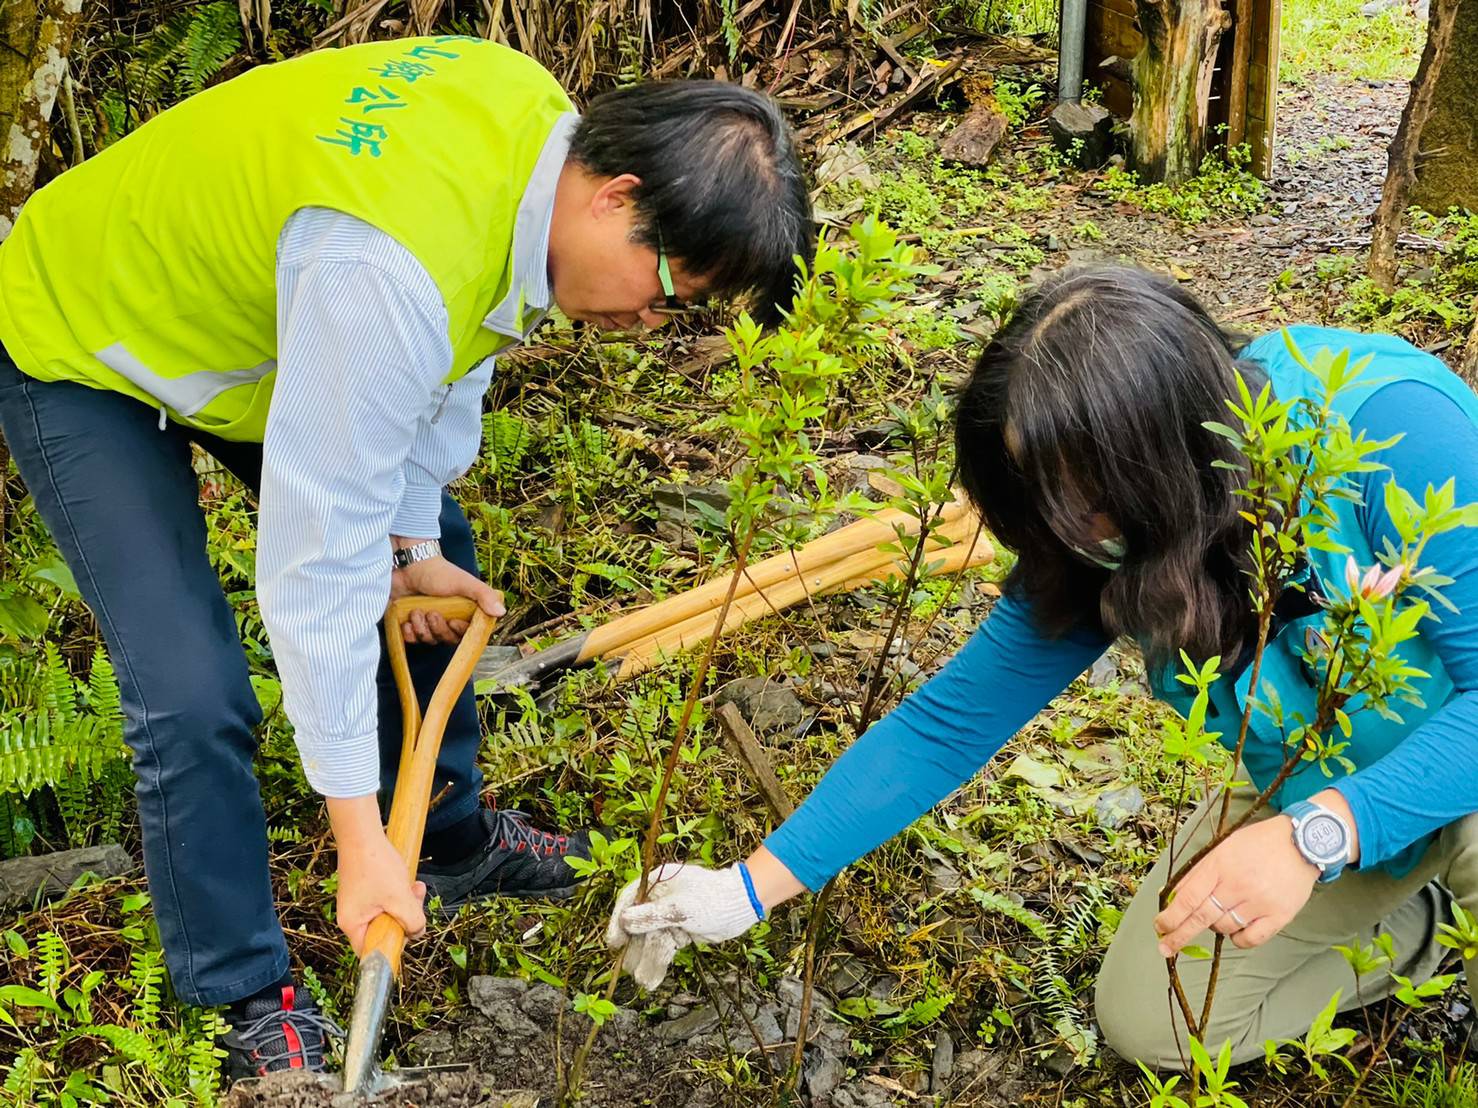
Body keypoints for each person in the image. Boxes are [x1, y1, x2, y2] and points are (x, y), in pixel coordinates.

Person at [0, 36, 811, 1078]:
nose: (650, 322)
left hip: (256, 310)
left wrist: (412, 541)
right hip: (93, 336)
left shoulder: (529, 132)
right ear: (615, 195)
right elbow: (316, 557)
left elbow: (462, 338)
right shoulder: (381, 272)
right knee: (190, 687)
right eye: (666, 291)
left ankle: (449, 838)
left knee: (438, 556)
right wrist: (353, 837)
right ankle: (244, 993)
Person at [606, 266, 1478, 1070]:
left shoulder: (1386, 431)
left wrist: (1316, 836)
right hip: (1321, 772)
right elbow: (947, 724)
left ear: (1166, 462)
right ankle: (1424, 927)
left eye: (1090, 501)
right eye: (1042, 500)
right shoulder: (1101, 545)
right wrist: (744, 890)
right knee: (1156, 1021)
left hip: (1437, 764)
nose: (1071, 533)